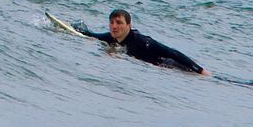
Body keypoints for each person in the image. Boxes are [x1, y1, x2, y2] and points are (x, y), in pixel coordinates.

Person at [76, 8, 210, 76]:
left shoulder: (143, 41)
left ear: (129, 25)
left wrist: (199, 70)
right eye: (111, 23)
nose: (114, 26)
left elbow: (172, 52)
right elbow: (91, 35)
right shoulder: (110, 37)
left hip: (169, 65)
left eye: (119, 23)